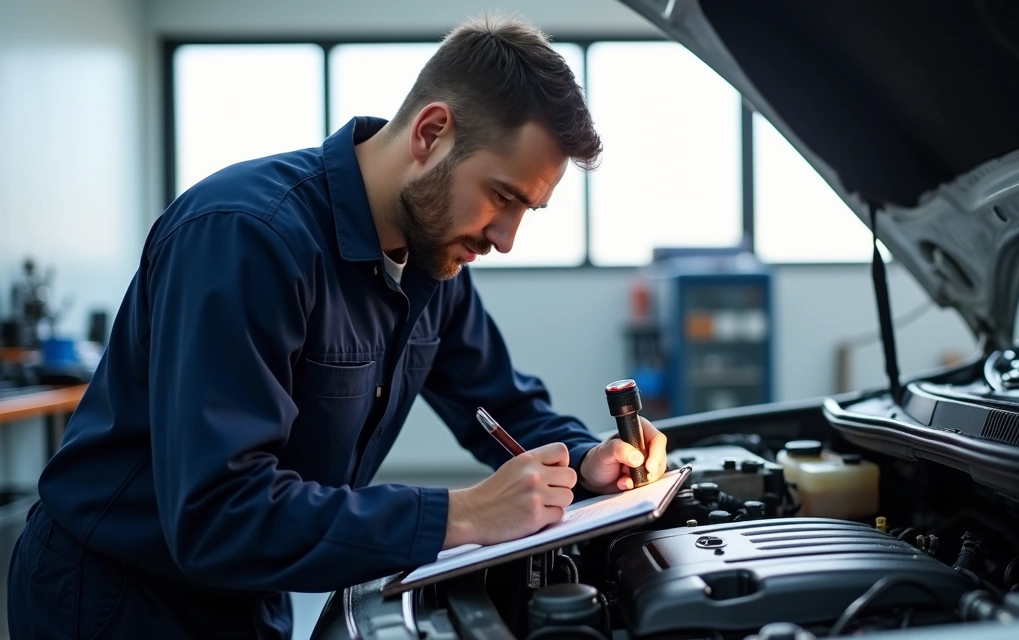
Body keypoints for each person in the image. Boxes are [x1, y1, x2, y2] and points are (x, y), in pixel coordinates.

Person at [6, 14, 668, 639]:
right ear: (431, 132)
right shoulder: (247, 239)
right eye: (502, 197)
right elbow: (218, 512)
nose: (506, 238)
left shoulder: (434, 266)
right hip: (117, 598)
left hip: (251, 592)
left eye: (530, 210)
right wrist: (463, 514)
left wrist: (587, 458)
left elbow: (501, 404)